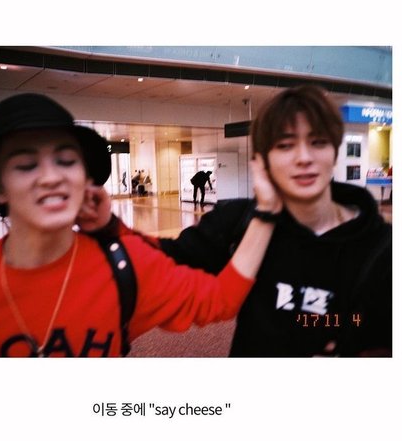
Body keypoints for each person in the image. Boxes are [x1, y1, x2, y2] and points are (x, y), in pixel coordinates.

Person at [0, 93, 281, 358]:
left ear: (85, 179)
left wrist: (266, 211)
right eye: (26, 164)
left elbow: (218, 300)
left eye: (66, 160)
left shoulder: (124, 268)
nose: (51, 177)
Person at [85, 84, 392, 357]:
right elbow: (160, 262)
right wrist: (109, 225)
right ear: (262, 161)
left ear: (334, 152)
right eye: (285, 145)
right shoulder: (236, 223)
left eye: (318, 142)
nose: (303, 157)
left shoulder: (381, 247)